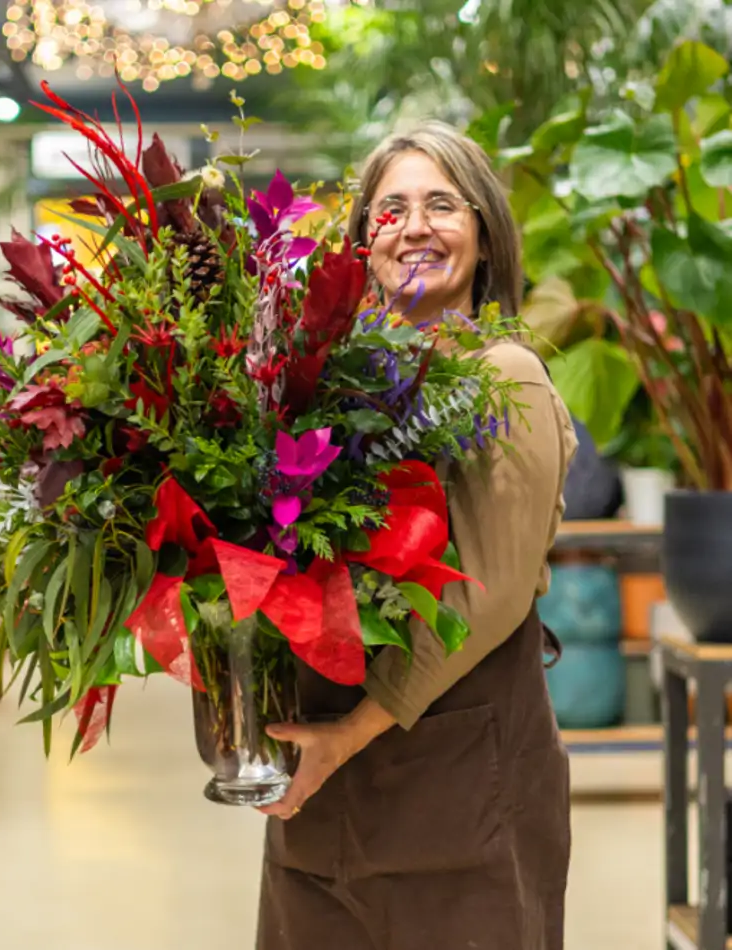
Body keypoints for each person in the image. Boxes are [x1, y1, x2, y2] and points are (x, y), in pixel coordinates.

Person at [256, 124, 578, 949]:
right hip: (326, 792)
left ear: (485, 232)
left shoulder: (505, 374)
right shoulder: (323, 384)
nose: (413, 225)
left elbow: (494, 588)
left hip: (463, 785)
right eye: (390, 208)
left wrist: (354, 730)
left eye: (442, 204)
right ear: (364, 238)